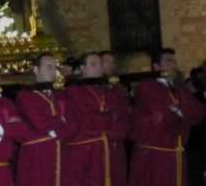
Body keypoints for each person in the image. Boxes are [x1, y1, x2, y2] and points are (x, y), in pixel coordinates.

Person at [129, 48, 206, 186]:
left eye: (174, 62)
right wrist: (182, 113)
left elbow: (199, 112)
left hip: (175, 153)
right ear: (156, 67)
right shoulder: (146, 86)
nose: (173, 65)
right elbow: (161, 115)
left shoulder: (178, 88)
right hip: (156, 155)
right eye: (168, 61)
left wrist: (180, 111)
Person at [66, 52, 130, 186]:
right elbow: (87, 119)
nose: (98, 67)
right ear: (82, 68)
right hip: (86, 152)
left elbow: (123, 116)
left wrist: (112, 129)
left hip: (111, 149)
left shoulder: (113, 90)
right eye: (93, 64)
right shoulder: (73, 90)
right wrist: (110, 117)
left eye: (100, 64)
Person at [16, 53, 78, 186]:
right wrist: (61, 123)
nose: (53, 71)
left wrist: (55, 131)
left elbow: (73, 125)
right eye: (49, 67)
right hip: (38, 157)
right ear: (36, 70)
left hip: (62, 154)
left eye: (55, 67)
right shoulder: (25, 95)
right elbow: (40, 122)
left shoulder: (61, 95)